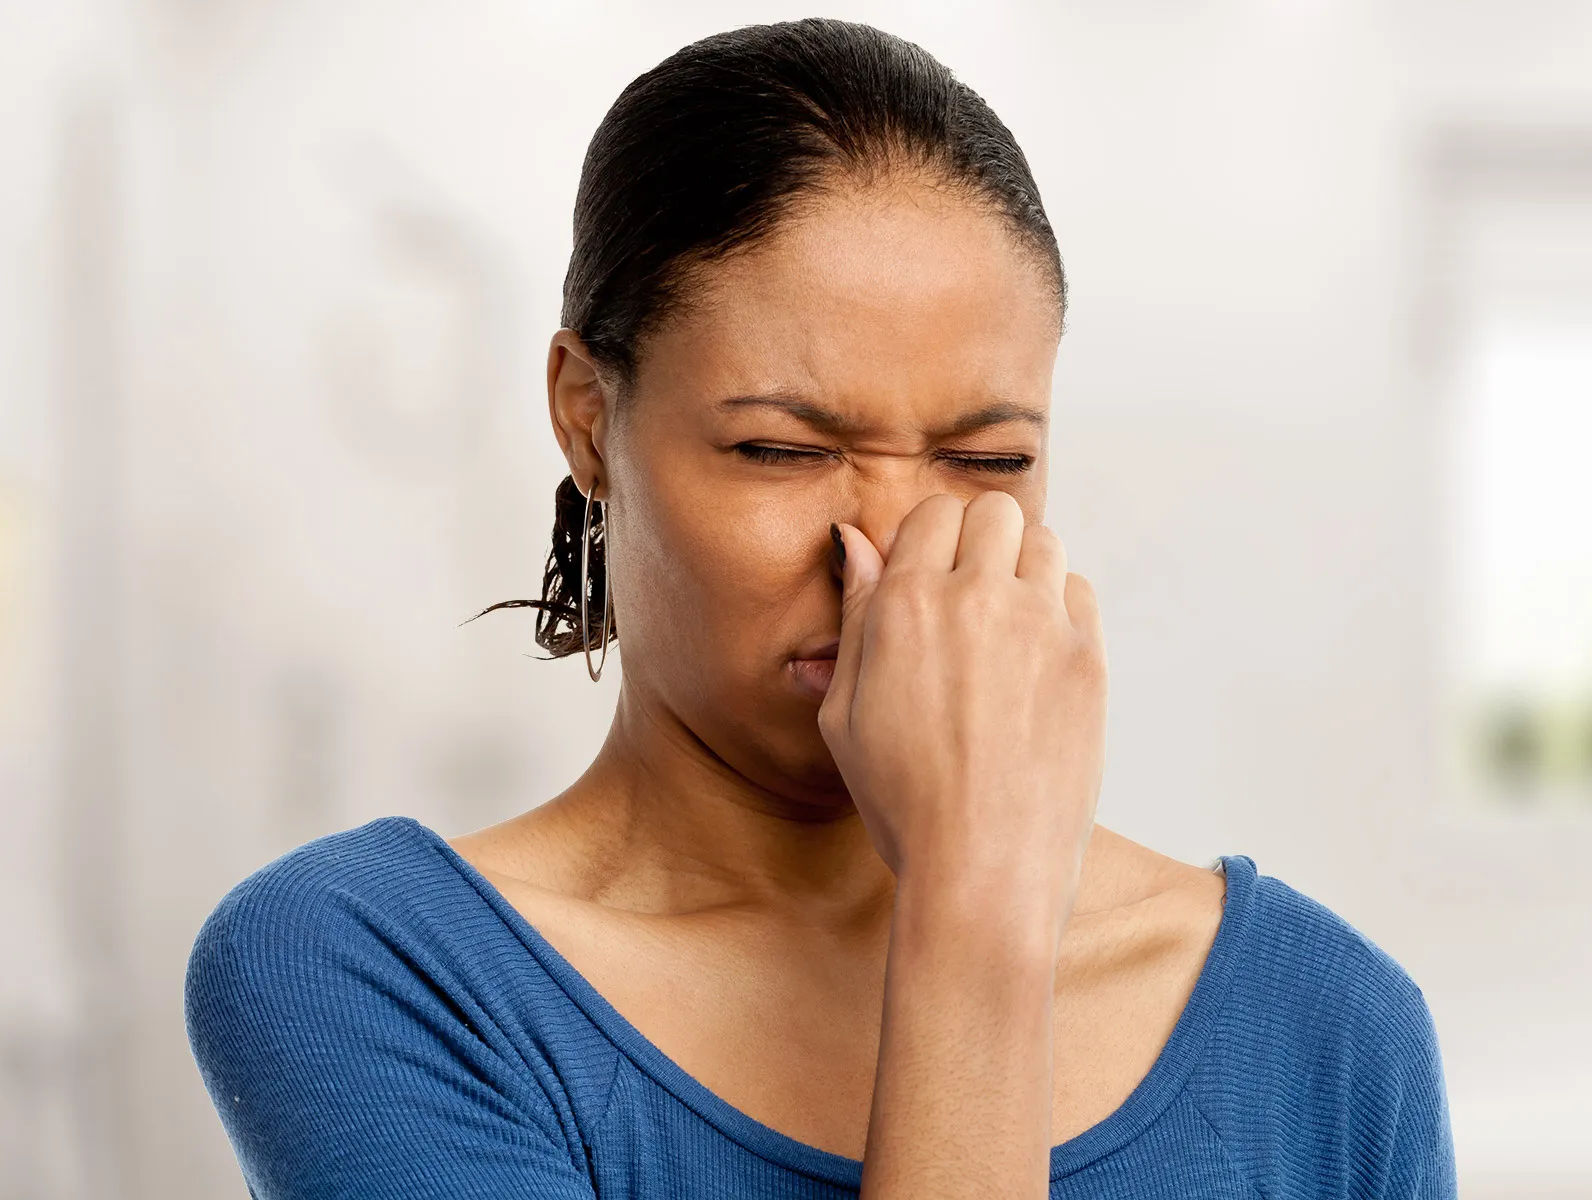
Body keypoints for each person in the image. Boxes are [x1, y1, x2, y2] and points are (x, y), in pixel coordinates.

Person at [184, 18, 1455, 1199]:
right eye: (782, 452)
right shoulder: (370, 975)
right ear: (587, 416)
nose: (887, 561)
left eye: (989, 462)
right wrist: (974, 907)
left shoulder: (1326, 1033)